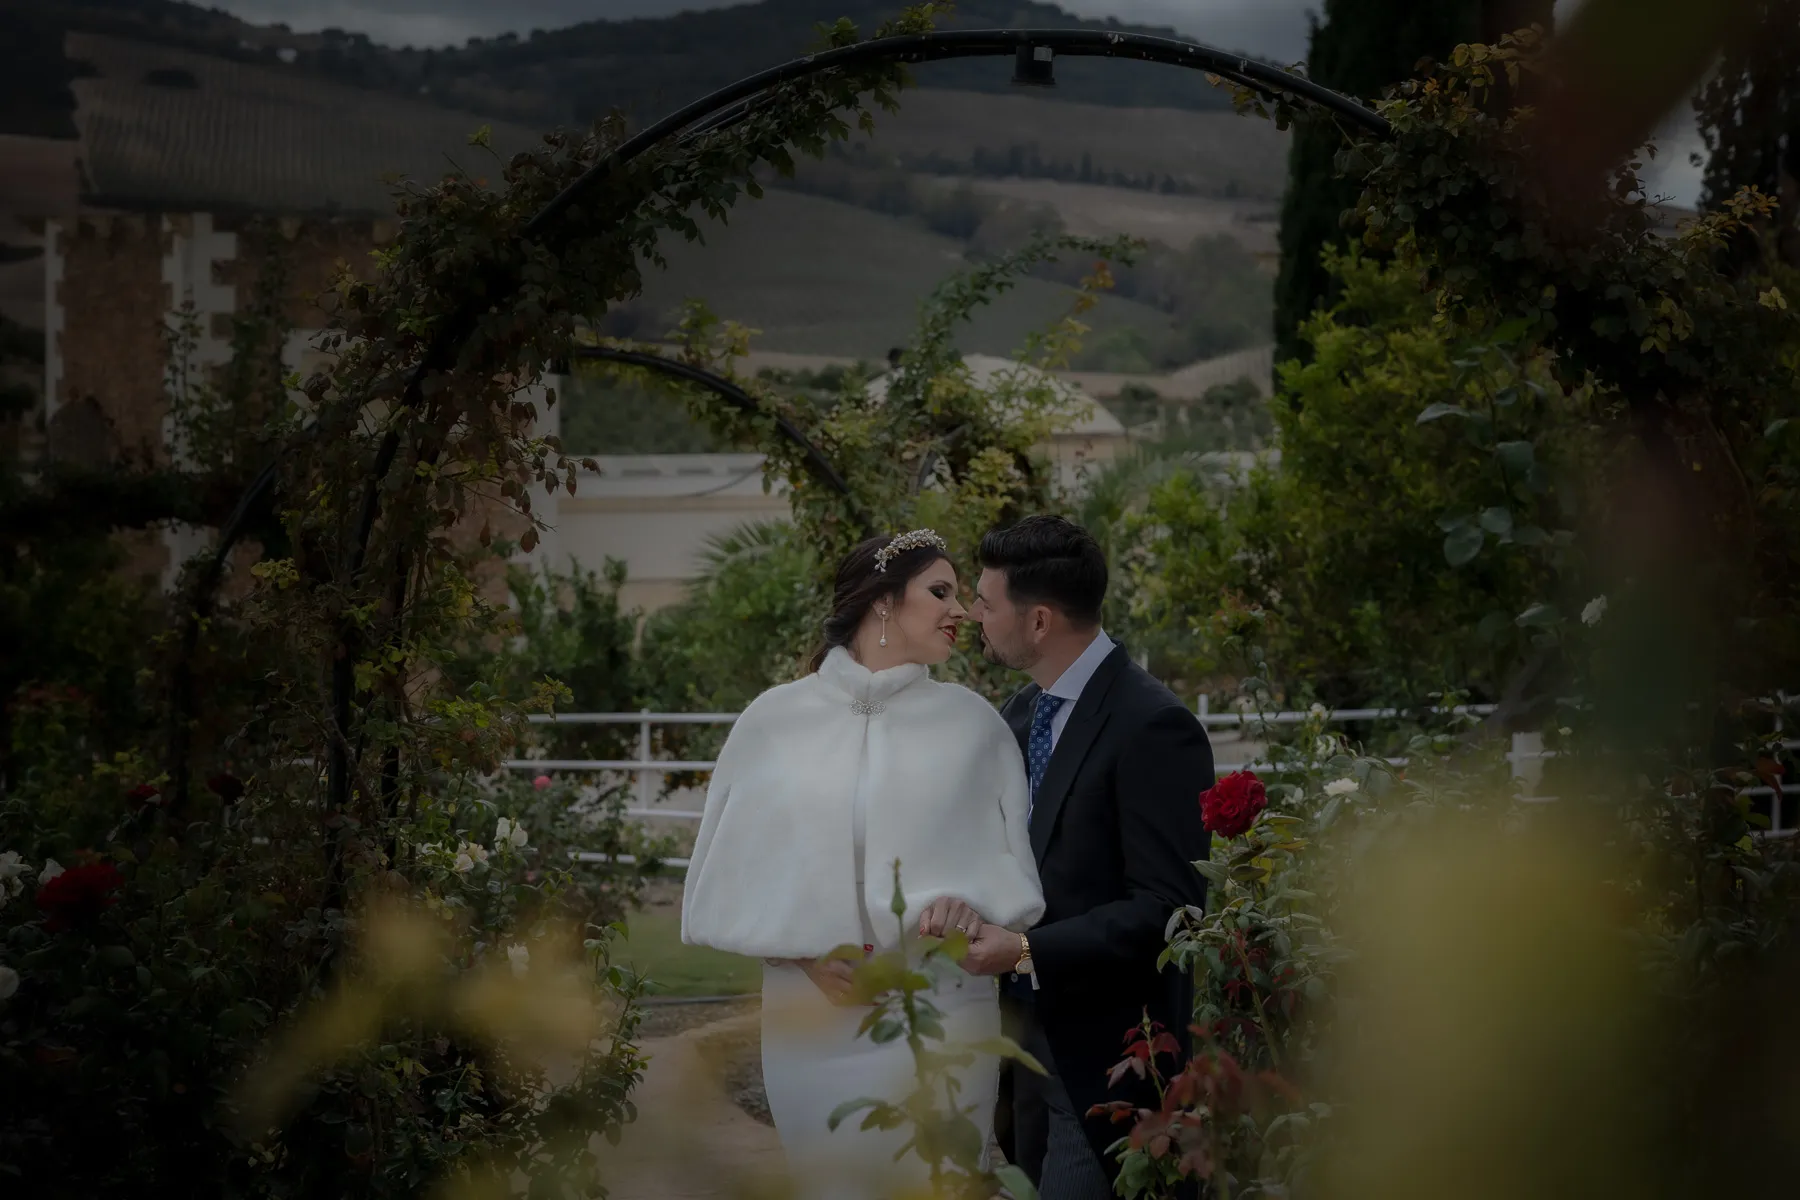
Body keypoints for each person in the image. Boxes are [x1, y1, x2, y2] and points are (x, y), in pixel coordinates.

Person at [681, 529, 1046, 1200]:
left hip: (941, 1012)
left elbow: (1009, 877)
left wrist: (973, 908)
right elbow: (736, 877)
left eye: (962, 596)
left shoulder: (975, 727)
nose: (959, 611)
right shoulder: (773, 721)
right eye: (940, 592)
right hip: (809, 1022)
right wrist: (803, 957)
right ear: (882, 602)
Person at [962, 515, 1215, 1200]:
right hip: (1021, 1057)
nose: (974, 616)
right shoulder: (1018, 716)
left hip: (1108, 1064)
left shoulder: (1154, 726)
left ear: (1039, 621)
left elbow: (1170, 909)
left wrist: (1021, 949)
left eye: (986, 603)